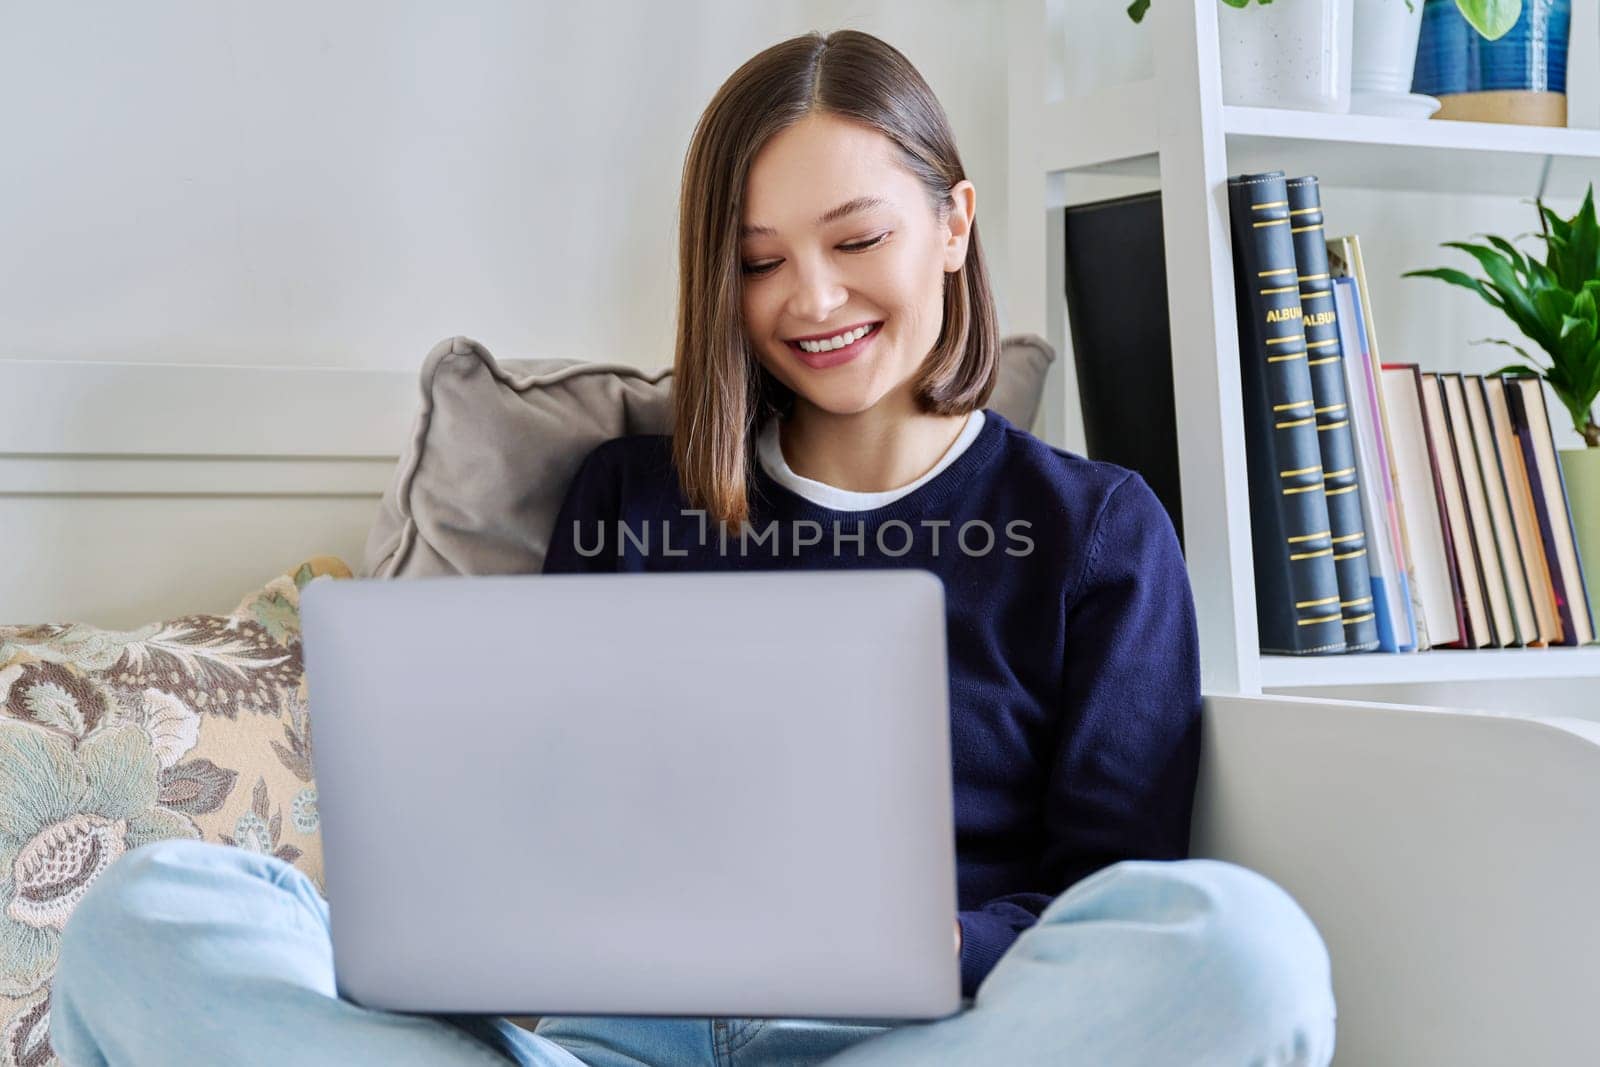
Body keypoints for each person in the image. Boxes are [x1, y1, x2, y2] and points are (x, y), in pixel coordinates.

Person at [51, 29, 1336, 1067]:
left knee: (1243, 946)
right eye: (758, 260)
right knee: (146, 913)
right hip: (606, 1040)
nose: (811, 300)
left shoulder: (1092, 528)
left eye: (856, 239)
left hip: (920, 1037)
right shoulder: (627, 496)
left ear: (954, 223)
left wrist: (932, 940)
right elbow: (536, 821)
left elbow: (1110, 891)